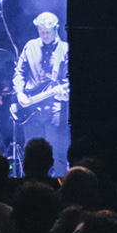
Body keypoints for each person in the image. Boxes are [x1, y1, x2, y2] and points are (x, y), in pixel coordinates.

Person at [12, 12, 69, 176]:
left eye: (47, 32)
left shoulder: (64, 50)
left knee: (58, 156)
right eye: (40, 31)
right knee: (32, 155)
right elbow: (19, 73)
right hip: (31, 110)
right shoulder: (30, 46)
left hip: (55, 111)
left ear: (56, 29)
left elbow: (70, 81)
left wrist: (66, 95)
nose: (44, 35)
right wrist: (20, 93)